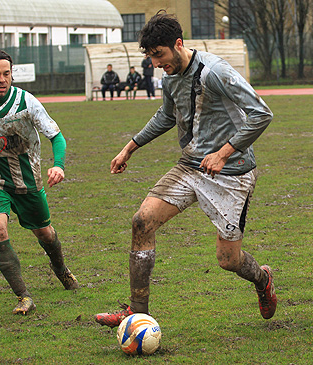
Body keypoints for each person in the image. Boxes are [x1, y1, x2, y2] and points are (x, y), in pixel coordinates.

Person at [95, 12, 276, 328]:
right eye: (151, 57)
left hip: (231, 173)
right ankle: (138, 312)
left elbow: (261, 113)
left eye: (159, 55)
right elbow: (166, 117)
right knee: (142, 222)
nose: (155, 63)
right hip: (190, 167)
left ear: (178, 44)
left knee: (228, 261)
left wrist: (223, 153)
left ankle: (262, 280)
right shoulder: (169, 77)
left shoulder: (215, 71)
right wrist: (130, 147)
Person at [0, 50, 79, 315]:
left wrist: (58, 165)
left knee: (45, 234)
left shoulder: (26, 102)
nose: (2, 79)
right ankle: (24, 296)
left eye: (7, 73)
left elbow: (57, 137)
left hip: (28, 183)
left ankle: (61, 270)